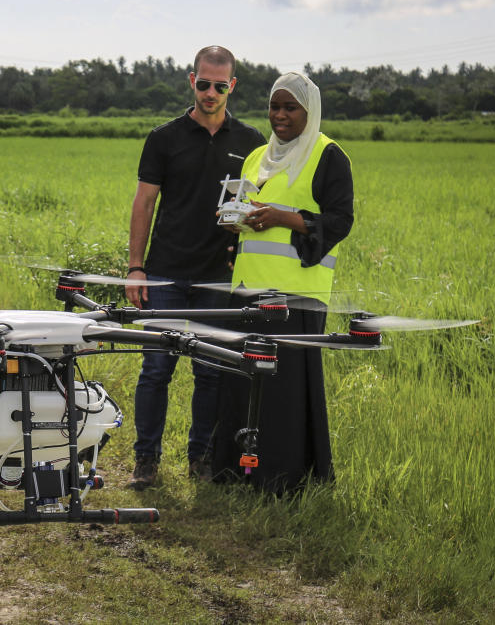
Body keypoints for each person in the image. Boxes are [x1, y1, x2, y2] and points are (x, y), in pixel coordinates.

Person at [125, 46, 266, 490]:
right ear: (191, 81)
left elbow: (259, 206)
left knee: (209, 371)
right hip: (165, 273)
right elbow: (144, 202)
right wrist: (135, 267)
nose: (210, 92)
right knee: (156, 369)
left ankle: (201, 460)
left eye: (219, 86)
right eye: (203, 84)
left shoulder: (251, 142)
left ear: (232, 86)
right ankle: (145, 462)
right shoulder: (164, 137)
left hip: (217, 277)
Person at [212, 71, 354, 494]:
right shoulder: (257, 157)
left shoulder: (328, 156)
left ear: (309, 111)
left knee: (284, 394)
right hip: (247, 291)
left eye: (290, 107)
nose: (280, 115)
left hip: (296, 297)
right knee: (242, 384)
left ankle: (281, 481)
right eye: (275, 106)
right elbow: (246, 206)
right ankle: (237, 473)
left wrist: (281, 217)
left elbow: (340, 221)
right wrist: (237, 221)